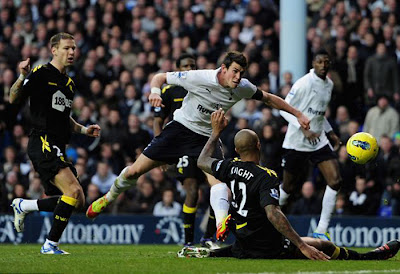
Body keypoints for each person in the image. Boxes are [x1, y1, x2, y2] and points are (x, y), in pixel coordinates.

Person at [86, 51, 310, 243]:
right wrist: (154, 93)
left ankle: (222, 223)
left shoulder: (242, 87)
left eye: (241, 72)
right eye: (234, 71)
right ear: (223, 68)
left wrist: (298, 113)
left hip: (206, 137)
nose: (238, 76)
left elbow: (270, 99)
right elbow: (159, 77)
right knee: (135, 171)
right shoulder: (199, 77)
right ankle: (108, 197)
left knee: (219, 182)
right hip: (179, 129)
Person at [177, 109, 400, 260]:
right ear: (258, 144)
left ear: (237, 150)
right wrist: (301, 246)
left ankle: (209, 252)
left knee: (234, 233)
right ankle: (370, 256)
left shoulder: (228, 166)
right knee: (320, 245)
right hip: (267, 246)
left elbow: (202, 161)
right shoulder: (267, 176)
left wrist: (215, 132)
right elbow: (274, 214)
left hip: (243, 242)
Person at [9, 32, 101, 254]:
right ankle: (50, 245)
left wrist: (84, 129)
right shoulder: (41, 73)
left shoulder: (68, 83)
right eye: (67, 48)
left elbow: (65, 118)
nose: (72, 52)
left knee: (77, 200)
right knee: (72, 191)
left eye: (74, 48)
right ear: (54, 50)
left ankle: (25, 205)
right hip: (42, 140)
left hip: (59, 144)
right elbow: (13, 97)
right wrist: (22, 76)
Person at [153, 53, 219, 248]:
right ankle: (188, 241)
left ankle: (208, 238)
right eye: (185, 66)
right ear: (177, 69)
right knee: (192, 191)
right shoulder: (170, 90)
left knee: (217, 189)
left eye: (192, 65)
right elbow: (158, 121)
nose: (189, 69)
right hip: (182, 145)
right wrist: (160, 151)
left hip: (206, 143)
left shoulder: (207, 87)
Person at [278, 49, 341, 241]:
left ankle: (321, 230)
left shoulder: (329, 84)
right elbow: (283, 109)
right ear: (313, 63)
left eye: (326, 62)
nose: (323, 65)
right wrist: (302, 127)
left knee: (335, 180)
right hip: (297, 141)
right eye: (319, 61)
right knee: (288, 187)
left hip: (318, 140)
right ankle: (266, 223)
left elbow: (319, 114)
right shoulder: (304, 83)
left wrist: (330, 132)